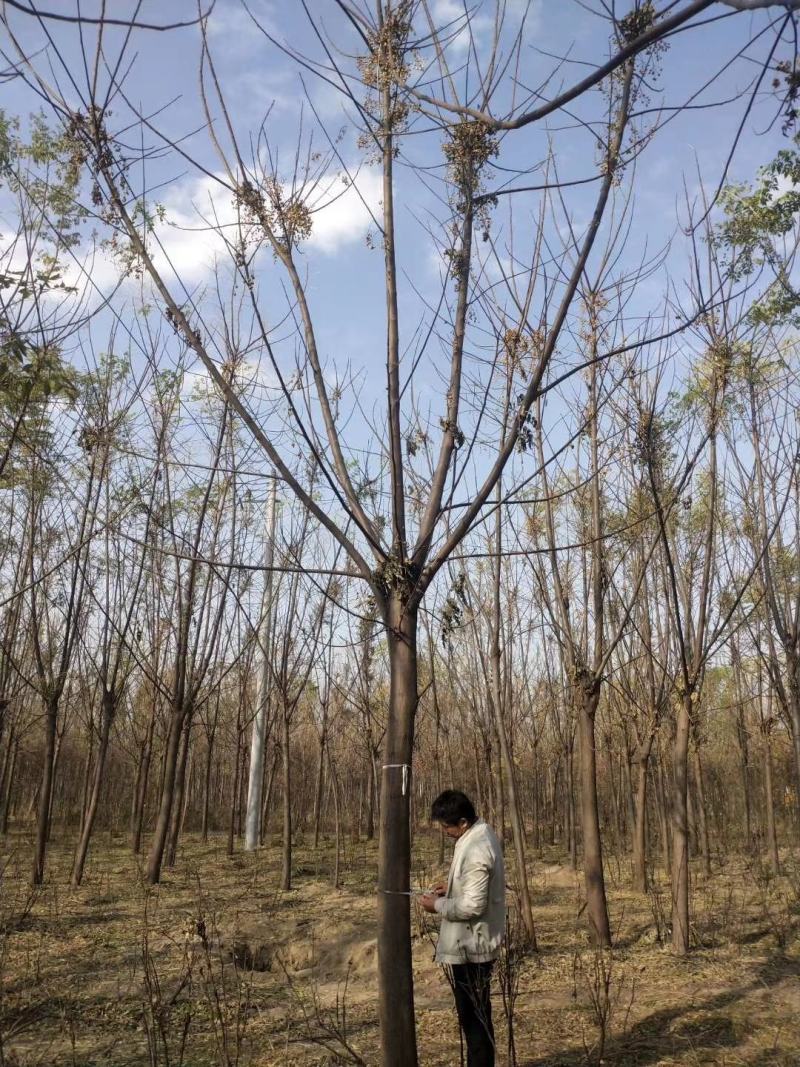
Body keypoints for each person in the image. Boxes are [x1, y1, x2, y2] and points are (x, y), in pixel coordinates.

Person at [420, 790, 505, 1067]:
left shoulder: (478, 848)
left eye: (447, 826)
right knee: (477, 1019)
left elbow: (472, 906)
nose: (444, 831)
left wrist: (437, 906)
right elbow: (473, 888)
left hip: (472, 947)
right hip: (472, 944)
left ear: (464, 822)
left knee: (475, 1023)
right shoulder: (476, 835)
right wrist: (452, 888)